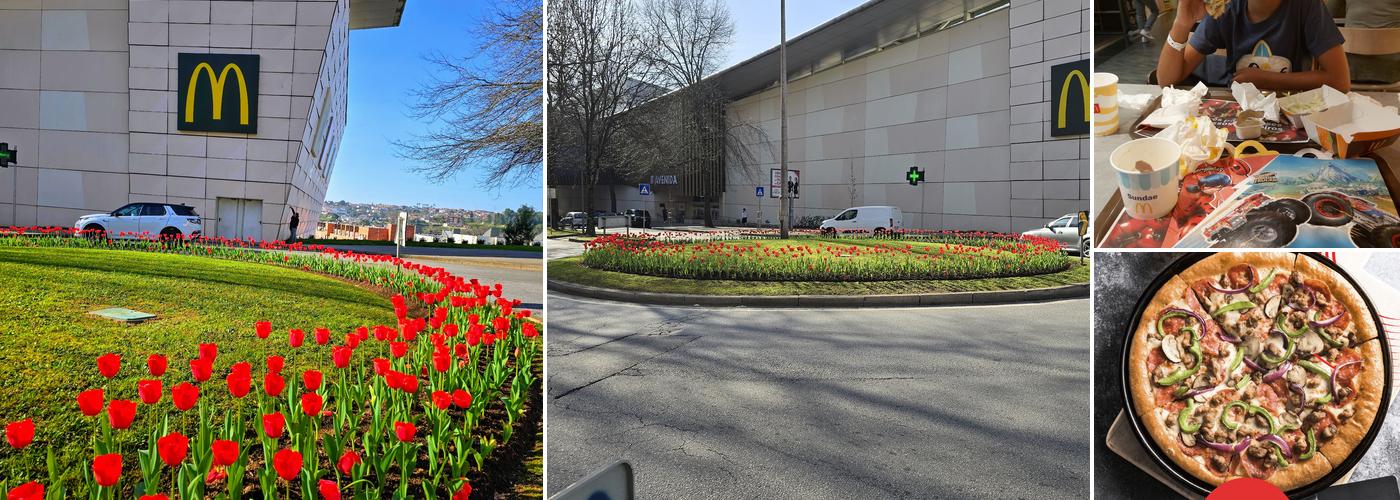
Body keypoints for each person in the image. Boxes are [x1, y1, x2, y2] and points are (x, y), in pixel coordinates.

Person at [1155, 0, 1351, 92]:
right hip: (1238, 116)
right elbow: (1166, 79)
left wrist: (1266, 79)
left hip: (1293, 113)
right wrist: (1182, 23)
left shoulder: (1307, 7)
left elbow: (1341, 80)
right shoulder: (1225, 8)